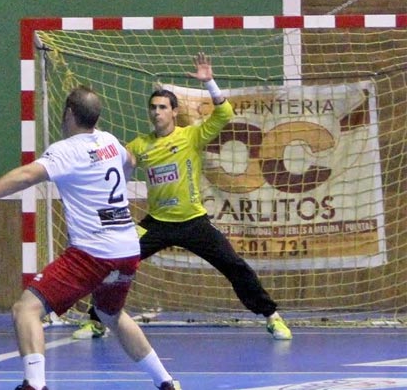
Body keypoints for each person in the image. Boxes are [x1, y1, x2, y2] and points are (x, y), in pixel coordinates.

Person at [0, 86, 181, 390]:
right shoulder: (109, 141)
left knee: (25, 310)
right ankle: (166, 382)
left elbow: (27, 175)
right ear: (96, 117)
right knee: (110, 313)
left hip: (93, 252)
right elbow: (130, 161)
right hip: (127, 249)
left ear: (68, 114)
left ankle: (35, 385)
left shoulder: (66, 150)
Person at [73, 52, 292, 342]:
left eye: (163, 107)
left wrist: (209, 82)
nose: (157, 112)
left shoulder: (191, 136)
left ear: (174, 112)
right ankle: (97, 321)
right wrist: (94, 138)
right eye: (153, 107)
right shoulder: (140, 145)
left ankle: (272, 317)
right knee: (114, 263)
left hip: (193, 222)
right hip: (156, 224)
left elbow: (224, 114)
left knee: (234, 265)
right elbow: (118, 161)